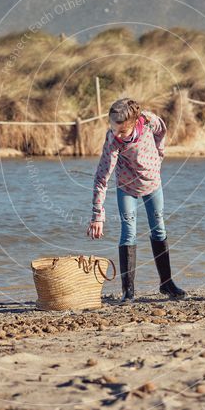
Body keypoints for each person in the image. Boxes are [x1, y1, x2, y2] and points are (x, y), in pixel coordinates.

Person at [86, 97, 186, 302]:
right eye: (113, 128)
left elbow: (162, 130)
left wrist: (159, 153)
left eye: (122, 131)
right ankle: (128, 291)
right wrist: (98, 215)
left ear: (134, 123)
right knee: (128, 232)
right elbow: (101, 178)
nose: (116, 133)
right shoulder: (113, 140)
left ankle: (166, 284)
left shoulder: (149, 122)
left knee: (158, 229)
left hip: (152, 184)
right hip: (127, 186)